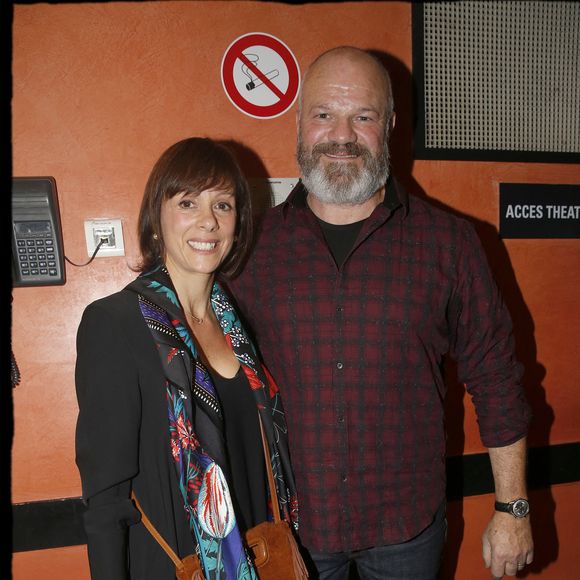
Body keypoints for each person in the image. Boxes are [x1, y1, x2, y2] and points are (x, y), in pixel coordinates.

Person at [228, 47, 534, 579]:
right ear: (300, 124)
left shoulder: (451, 243)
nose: (341, 135)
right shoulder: (249, 248)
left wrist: (513, 508)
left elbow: (497, 379)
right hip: (292, 530)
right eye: (324, 114)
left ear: (388, 125)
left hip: (407, 530)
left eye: (362, 116)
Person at [75, 137, 299, 579]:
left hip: (259, 558)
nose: (208, 222)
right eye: (188, 203)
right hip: (174, 566)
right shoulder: (115, 324)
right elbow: (105, 498)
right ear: (155, 217)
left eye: (223, 205)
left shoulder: (237, 325)